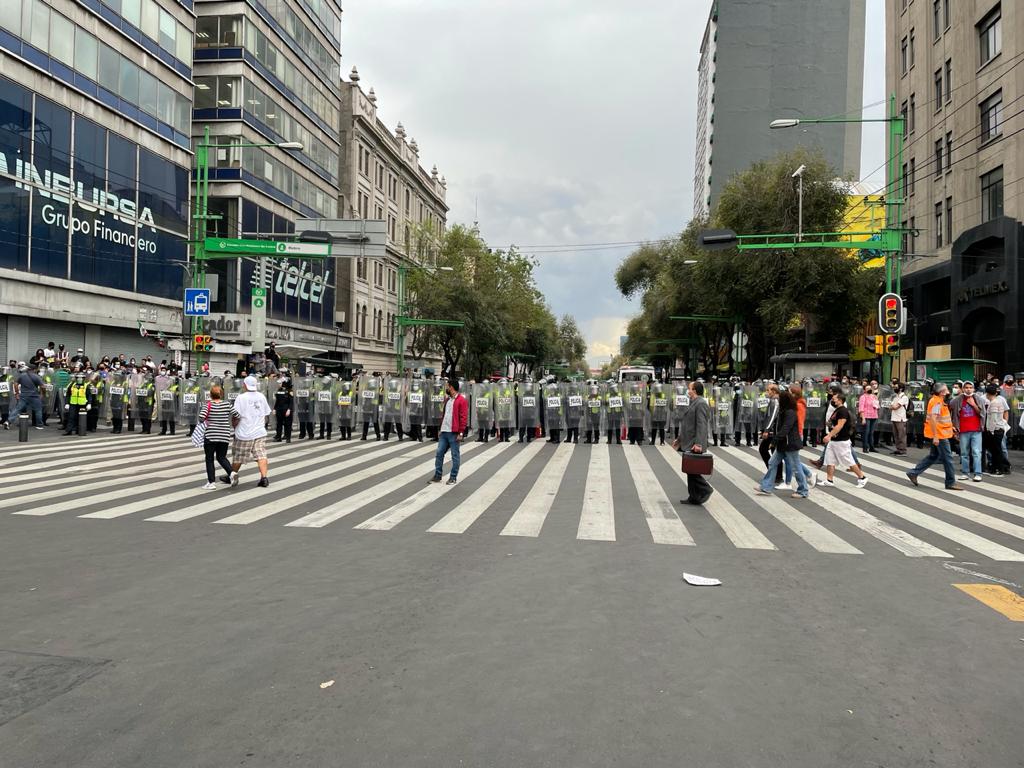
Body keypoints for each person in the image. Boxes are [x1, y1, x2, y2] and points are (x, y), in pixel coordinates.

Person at [906, 382, 964, 490]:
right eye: (947, 389)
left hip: (940, 433)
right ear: (942, 392)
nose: (949, 391)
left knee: (933, 456)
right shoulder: (937, 402)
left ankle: (913, 473)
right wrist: (936, 436)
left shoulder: (938, 400)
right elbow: (933, 419)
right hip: (940, 435)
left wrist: (951, 427)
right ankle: (950, 482)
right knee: (948, 458)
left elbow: (940, 418)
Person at [755, 389, 808, 499]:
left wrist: (774, 441)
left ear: (784, 400)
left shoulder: (790, 412)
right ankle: (766, 487)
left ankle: (803, 490)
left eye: (780, 399)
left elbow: (785, 429)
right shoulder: (784, 411)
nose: (778, 401)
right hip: (783, 444)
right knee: (772, 463)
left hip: (790, 444)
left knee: (796, 467)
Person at [672, 380, 713, 506]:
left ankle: (705, 489)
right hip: (688, 440)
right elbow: (687, 424)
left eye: (689, 388)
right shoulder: (693, 402)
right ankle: (694, 496)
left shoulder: (701, 403)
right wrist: (679, 439)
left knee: (692, 470)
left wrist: (699, 443)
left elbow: (701, 425)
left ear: (694, 390)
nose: (687, 390)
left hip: (694, 442)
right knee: (691, 469)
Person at [228, 375, 272, 487]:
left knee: (239, 455)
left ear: (245, 385)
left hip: (244, 431)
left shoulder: (241, 398)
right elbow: (266, 414)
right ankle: (264, 477)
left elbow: (236, 415)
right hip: (259, 432)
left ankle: (232, 475)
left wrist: (234, 427)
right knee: (261, 454)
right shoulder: (261, 396)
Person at [818, 392, 869, 488]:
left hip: (841, 441)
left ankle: (862, 477)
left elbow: (840, 425)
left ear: (840, 400)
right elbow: (834, 423)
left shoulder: (843, 411)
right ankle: (829, 480)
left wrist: (829, 435)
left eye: (834, 399)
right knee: (830, 460)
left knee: (848, 461)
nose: (832, 400)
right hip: (834, 441)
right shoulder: (837, 410)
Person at [428, 378, 468, 485]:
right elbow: (445, 416)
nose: (446, 388)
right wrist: (441, 429)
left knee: (455, 455)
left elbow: (463, 417)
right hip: (444, 431)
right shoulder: (448, 400)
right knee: (439, 452)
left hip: (454, 432)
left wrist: (461, 433)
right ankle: (437, 475)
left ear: (451, 387)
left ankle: (453, 477)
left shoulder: (461, 400)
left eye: (447, 386)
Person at [199, 385, 235, 490]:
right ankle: (231, 473)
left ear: (211, 395)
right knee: (221, 457)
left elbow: (201, 417)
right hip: (224, 435)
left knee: (209, 459)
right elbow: (236, 414)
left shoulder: (208, 405)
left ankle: (211, 482)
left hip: (211, 435)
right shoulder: (227, 404)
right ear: (222, 394)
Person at [950, 381, 986, 482]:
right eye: (966, 387)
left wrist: (974, 405)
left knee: (976, 452)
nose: (968, 389)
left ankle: (978, 473)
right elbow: (950, 405)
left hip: (976, 430)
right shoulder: (958, 399)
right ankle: (965, 473)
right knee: (964, 453)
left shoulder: (979, 399)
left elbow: (982, 413)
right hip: (963, 430)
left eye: (970, 387)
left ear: (974, 389)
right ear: (963, 389)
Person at [982, 384, 1011, 475]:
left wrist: (990, 430)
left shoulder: (994, 403)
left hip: (995, 430)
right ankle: (998, 468)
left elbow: (993, 419)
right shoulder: (999, 401)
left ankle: (1000, 468)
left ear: (987, 394)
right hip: (998, 429)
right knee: (996, 450)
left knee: (996, 451)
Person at [9, 365, 46, 430]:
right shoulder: (36, 377)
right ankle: (39, 425)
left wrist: (17, 393)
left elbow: (15, 384)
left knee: (17, 409)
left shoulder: (22, 376)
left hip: (24, 396)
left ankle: (8, 422)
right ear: (35, 369)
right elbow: (43, 387)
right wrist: (42, 394)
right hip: (34, 396)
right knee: (38, 410)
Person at [857, 383, 879, 452]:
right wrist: (863, 418)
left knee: (871, 432)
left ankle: (871, 447)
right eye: (867, 388)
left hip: (874, 416)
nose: (869, 389)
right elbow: (861, 408)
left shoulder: (874, 396)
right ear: (864, 390)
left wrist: (876, 399)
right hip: (866, 416)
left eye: (870, 388)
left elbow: (877, 406)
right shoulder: (863, 397)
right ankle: (865, 447)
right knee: (866, 432)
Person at [890, 382, 909, 455]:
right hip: (894, 417)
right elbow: (891, 406)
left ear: (901, 388)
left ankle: (903, 450)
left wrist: (893, 407)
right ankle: (898, 449)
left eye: (896, 387)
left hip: (901, 418)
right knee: (896, 435)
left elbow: (895, 407)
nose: (895, 388)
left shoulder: (904, 397)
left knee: (901, 435)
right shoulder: (895, 397)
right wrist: (893, 407)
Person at [273, 377, 294, 443]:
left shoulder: (290, 391)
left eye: (281, 383)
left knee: (288, 424)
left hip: (286, 409)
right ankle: (278, 437)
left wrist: (289, 409)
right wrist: (274, 408)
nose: (279, 384)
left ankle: (288, 438)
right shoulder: (279, 390)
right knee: (279, 424)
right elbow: (277, 401)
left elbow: (291, 401)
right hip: (279, 409)